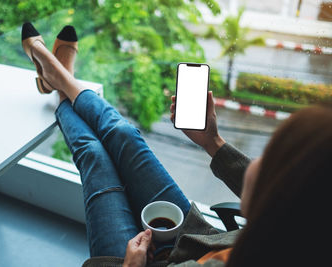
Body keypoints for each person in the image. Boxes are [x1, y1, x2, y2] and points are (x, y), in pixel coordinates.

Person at [21, 22, 332, 267]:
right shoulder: (306, 236)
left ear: (282, 200)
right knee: (125, 135)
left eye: (271, 158)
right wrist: (213, 141)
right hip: (198, 240)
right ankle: (60, 78)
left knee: (95, 156)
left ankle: (56, 75)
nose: (258, 162)